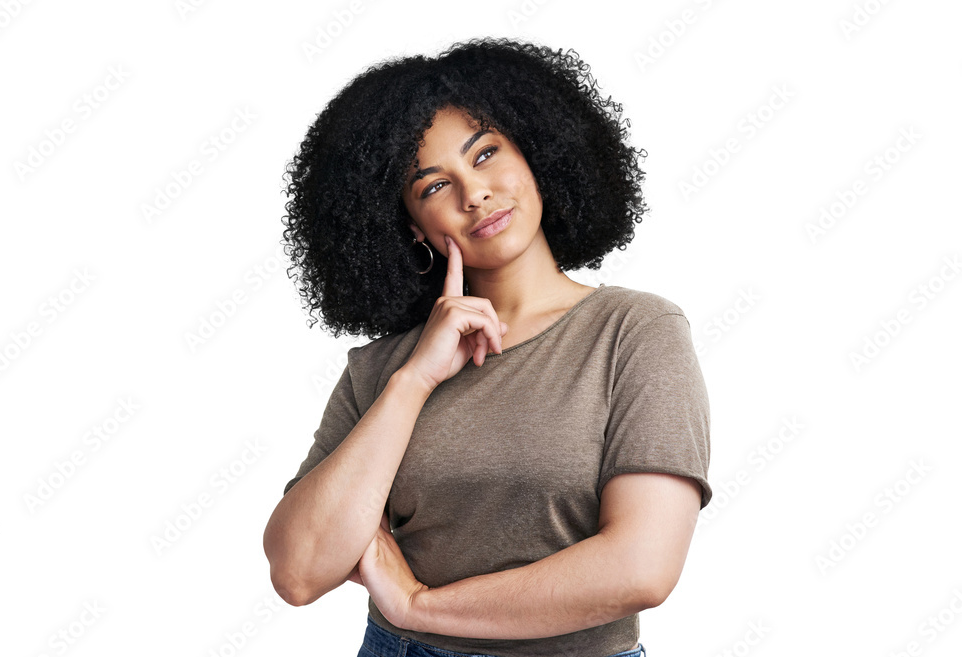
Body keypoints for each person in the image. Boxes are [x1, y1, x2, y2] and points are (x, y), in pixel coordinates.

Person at [263, 37, 712, 657]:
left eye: (486, 153)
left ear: (537, 155)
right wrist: (416, 380)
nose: (472, 193)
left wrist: (419, 605)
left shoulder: (634, 331)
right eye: (432, 186)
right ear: (413, 229)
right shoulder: (384, 370)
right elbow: (298, 569)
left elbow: (641, 568)